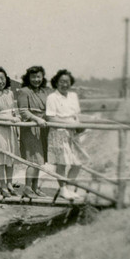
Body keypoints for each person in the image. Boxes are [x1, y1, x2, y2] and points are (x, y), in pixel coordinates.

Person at [46, 69, 88, 200]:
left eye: (67, 82)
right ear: (56, 83)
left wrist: (79, 125)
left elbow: (76, 115)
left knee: (78, 162)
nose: (64, 84)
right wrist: (68, 123)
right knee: (62, 163)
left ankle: (69, 188)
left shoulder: (73, 96)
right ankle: (63, 190)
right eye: (62, 82)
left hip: (73, 134)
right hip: (59, 133)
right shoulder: (52, 97)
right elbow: (51, 119)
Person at [0, 67, 21, 197]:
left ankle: (10, 184)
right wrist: (10, 118)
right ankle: (3, 185)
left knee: (10, 157)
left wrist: (15, 119)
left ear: (6, 79)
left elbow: (14, 111)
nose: (0, 81)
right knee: (0, 157)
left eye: (2, 78)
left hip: (11, 128)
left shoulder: (10, 93)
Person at [17, 65, 49, 198]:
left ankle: (35, 188)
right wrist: (37, 119)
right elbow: (23, 111)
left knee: (40, 160)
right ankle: (28, 188)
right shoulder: (24, 91)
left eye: (38, 77)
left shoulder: (43, 91)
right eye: (33, 77)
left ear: (42, 77)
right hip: (30, 128)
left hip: (43, 128)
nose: (36, 79)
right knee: (33, 160)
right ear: (28, 78)